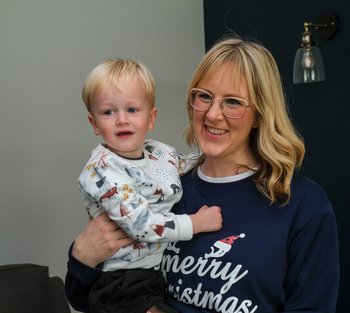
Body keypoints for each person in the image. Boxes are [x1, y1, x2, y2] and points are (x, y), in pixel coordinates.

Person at [65, 37, 339, 313]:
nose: (213, 114)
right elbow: (84, 297)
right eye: (204, 96)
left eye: (232, 102)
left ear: (259, 115)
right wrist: (82, 255)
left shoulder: (303, 204)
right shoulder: (163, 186)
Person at [74, 58, 223, 313]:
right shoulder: (103, 168)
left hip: (153, 274)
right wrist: (195, 223)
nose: (121, 119)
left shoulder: (159, 152)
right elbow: (141, 226)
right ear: (94, 124)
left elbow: (188, 164)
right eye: (109, 112)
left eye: (132, 110)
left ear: (151, 117)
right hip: (118, 281)